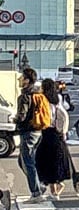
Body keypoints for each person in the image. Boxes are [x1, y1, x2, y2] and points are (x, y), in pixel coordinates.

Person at [33, 80, 73, 200]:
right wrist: (63, 131)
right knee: (53, 162)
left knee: (45, 161)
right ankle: (55, 189)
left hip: (49, 133)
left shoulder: (45, 101)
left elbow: (61, 115)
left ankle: (54, 191)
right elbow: (64, 114)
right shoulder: (57, 99)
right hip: (56, 134)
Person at [14, 66, 46, 201]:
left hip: (28, 131)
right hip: (38, 130)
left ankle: (36, 192)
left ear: (27, 80)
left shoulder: (25, 96)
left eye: (22, 77)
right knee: (24, 161)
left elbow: (22, 116)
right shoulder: (38, 94)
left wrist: (13, 118)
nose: (20, 80)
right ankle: (39, 185)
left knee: (28, 162)